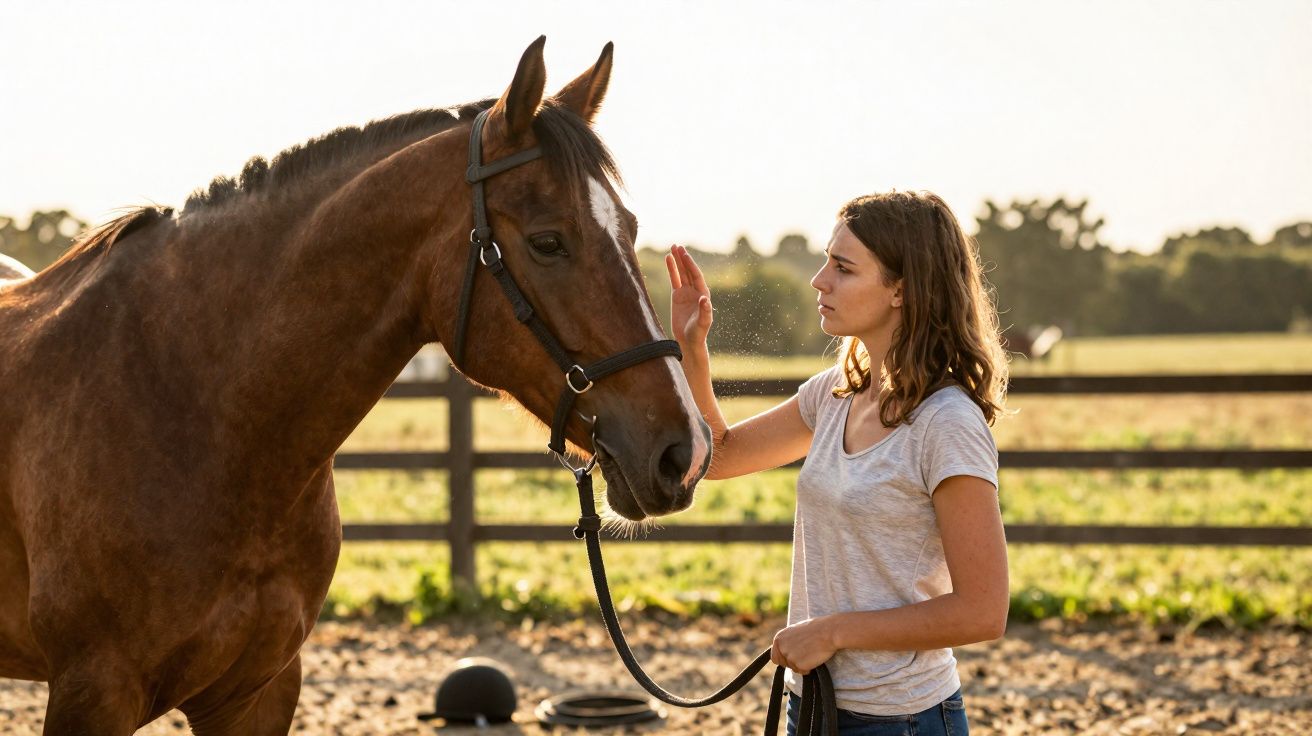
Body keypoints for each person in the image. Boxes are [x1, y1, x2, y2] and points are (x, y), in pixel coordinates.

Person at [665, 191, 1010, 736]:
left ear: (902, 288)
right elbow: (720, 456)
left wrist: (832, 632)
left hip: (903, 721)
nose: (818, 280)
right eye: (827, 260)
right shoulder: (834, 396)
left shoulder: (947, 424)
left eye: (843, 268)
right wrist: (693, 349)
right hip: (812, 707)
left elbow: (982, 611)